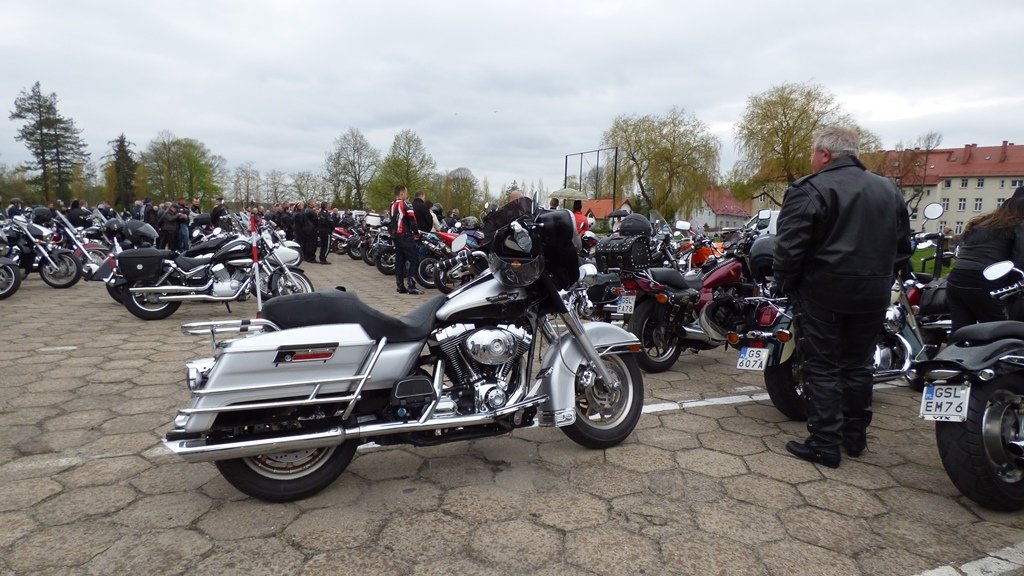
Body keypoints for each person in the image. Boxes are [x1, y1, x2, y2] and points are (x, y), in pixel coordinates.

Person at [773, 126, 911, 468]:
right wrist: (882, 279)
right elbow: (902, 247)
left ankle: (825, 443)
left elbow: (789, 248)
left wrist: (786, 284)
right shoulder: (888, 189)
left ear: (824, 154)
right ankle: (854, 437)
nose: (811, 158)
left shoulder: (809, 188)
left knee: (822, 366)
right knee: (858, 364)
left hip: (823, 291)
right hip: (872, 293)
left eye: (812, 152)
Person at [946, 186, 1024, 332]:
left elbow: (962, 247)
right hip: (983, 282)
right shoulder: (1018, 225)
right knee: (1002, 333)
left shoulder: (984, 222)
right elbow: (1020, 261)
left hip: (955, 279)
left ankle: (954, 347)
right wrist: (1013, 294)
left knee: (961, 333)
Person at [390, 185, 422, 294]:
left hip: (396, 236)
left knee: (400, 261)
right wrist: (416, 233)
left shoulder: (392, 204)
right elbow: (412, 219)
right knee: (414, 259)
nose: (407, 194)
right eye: (406, 192)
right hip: (406, 236)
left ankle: (400, 286)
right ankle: (411, 286)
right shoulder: (406, 204)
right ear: (402, 193)